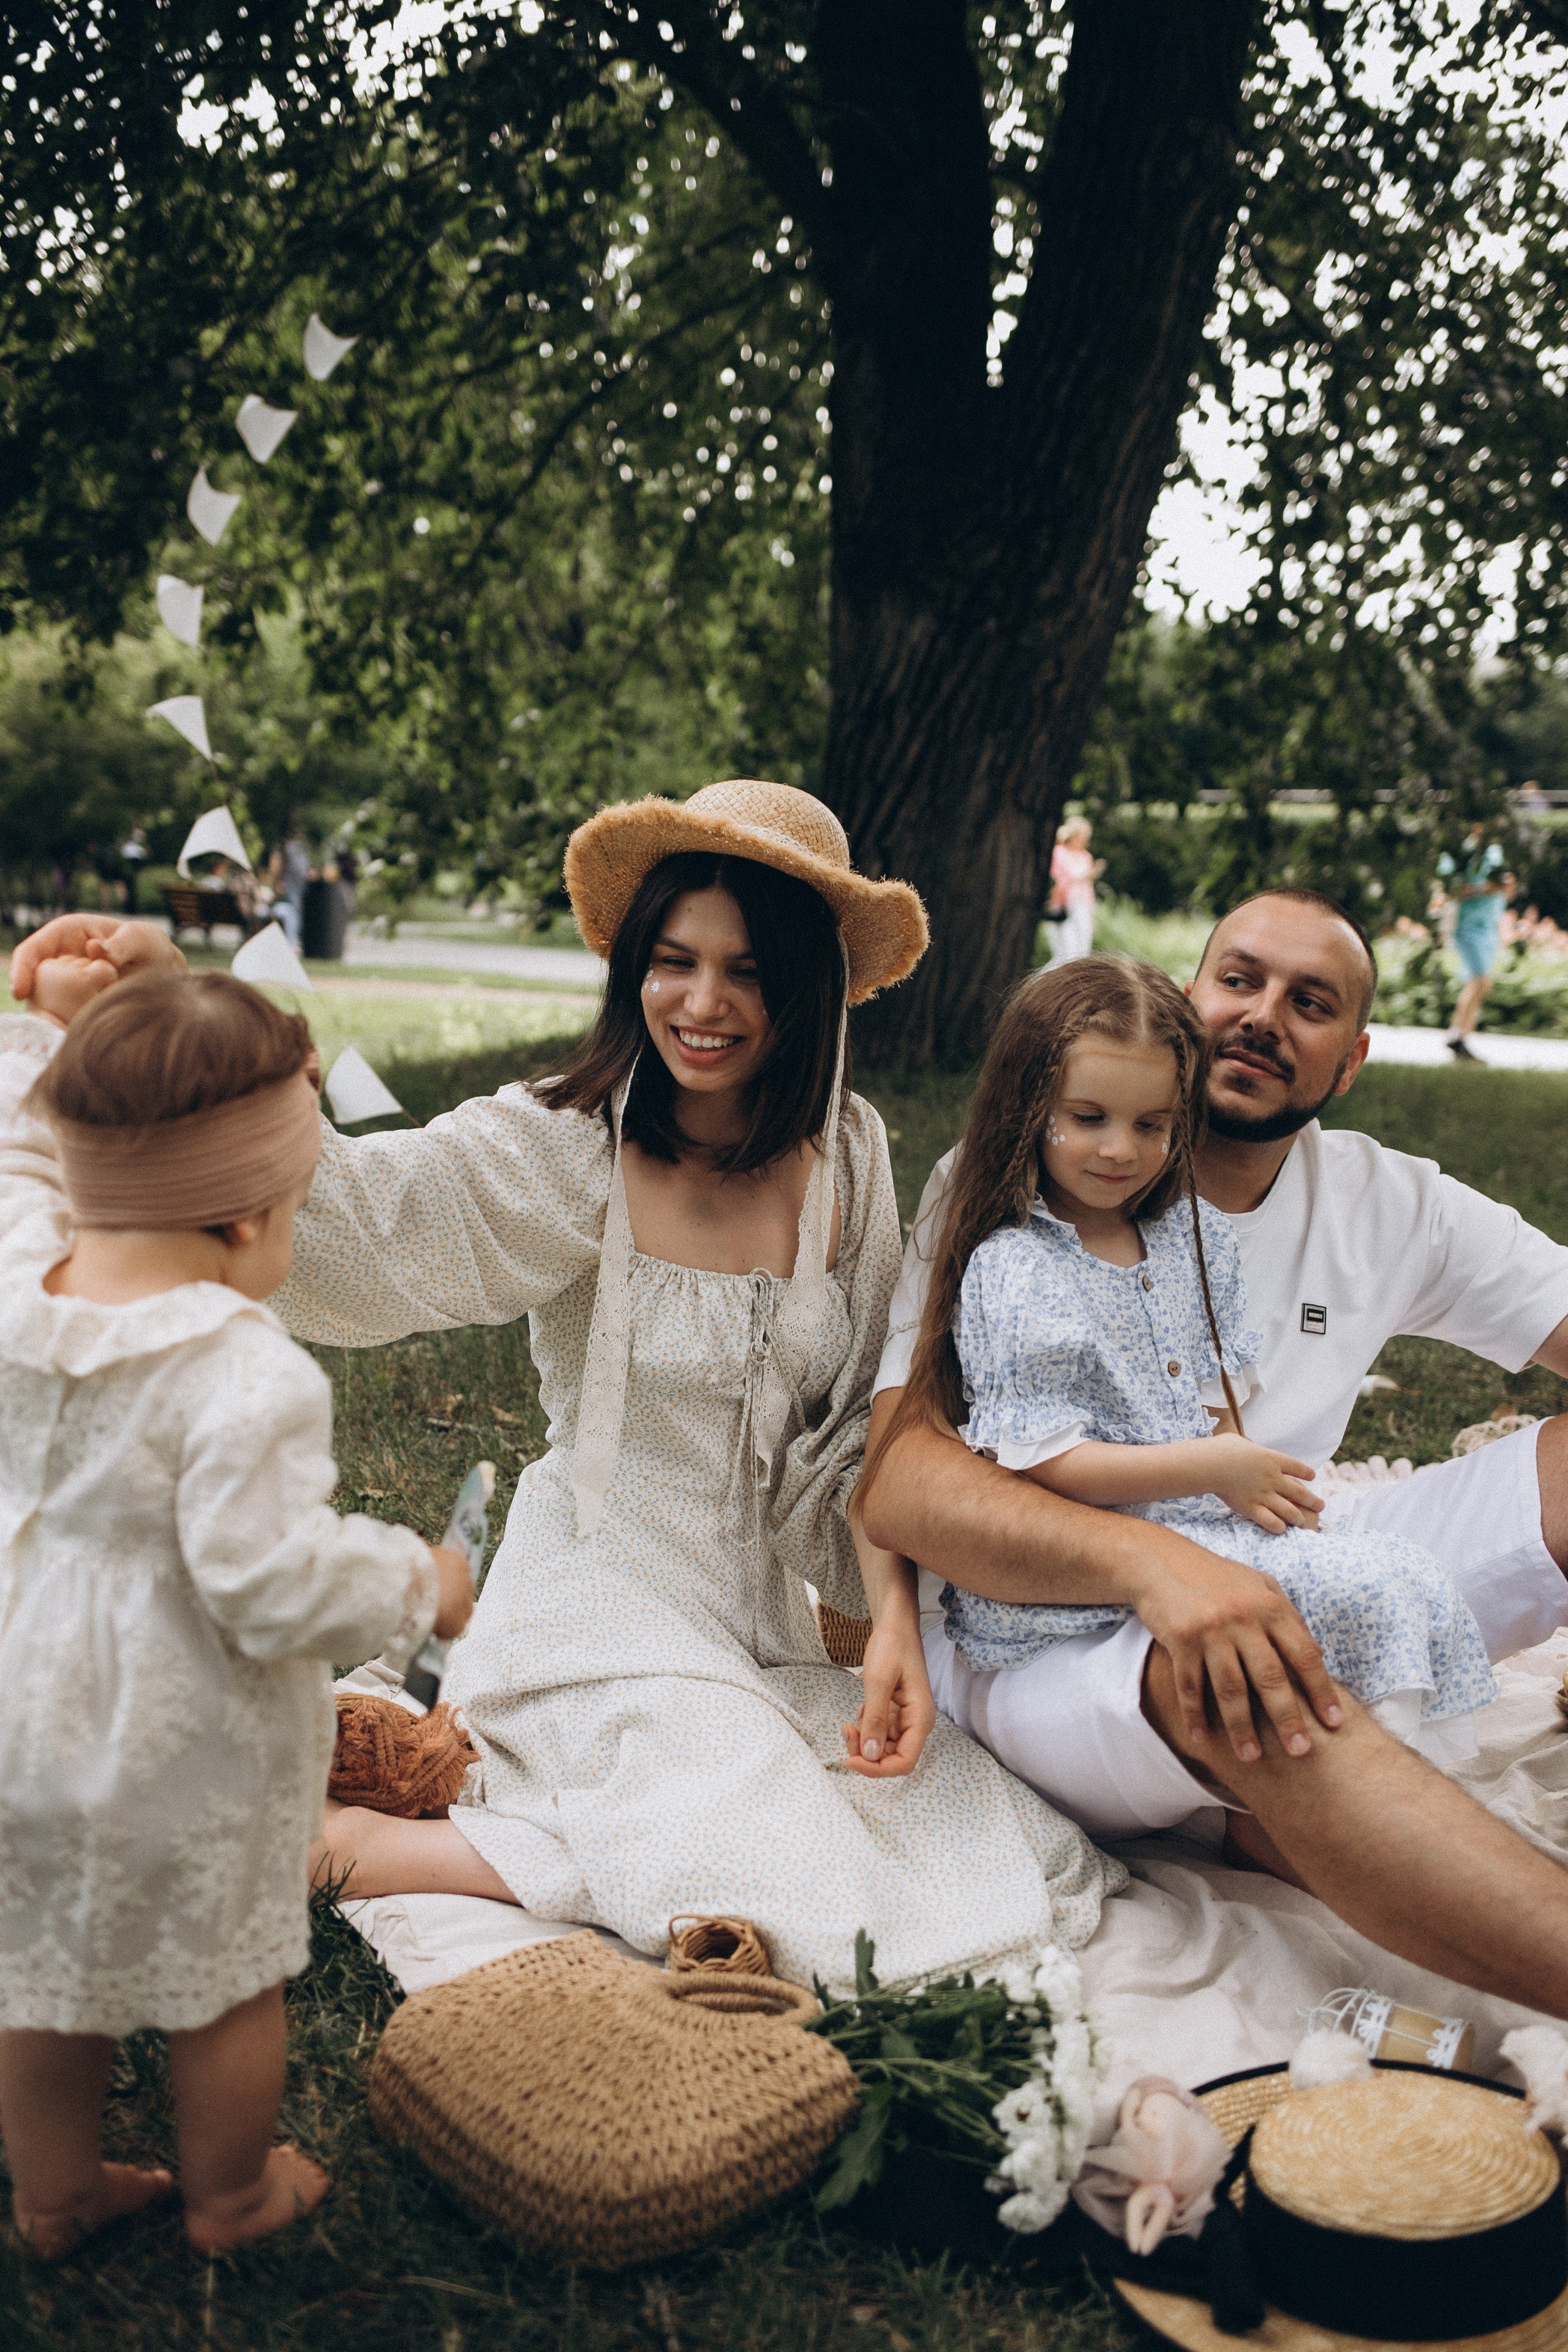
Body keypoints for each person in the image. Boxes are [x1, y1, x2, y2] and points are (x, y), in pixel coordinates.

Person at [2, 782, 1123, 1999]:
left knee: (984, 1832)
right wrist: (169, 1009)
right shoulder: (571, 1139)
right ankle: (399, 1851)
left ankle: (540, 1827)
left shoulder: (847, 1147)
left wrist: (892, 1619)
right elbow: (366, 1224)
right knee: (789, 1865)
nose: (700, 1005)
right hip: (590, 1592)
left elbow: (862, 1434)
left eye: (745, 972)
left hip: (759, 1618)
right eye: (671, 961)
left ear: (805, 985)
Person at [859, 887, 1568, 2018]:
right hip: (1049, 1634)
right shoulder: (1016, 1191)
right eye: (1239, 979)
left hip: (1271, 1535)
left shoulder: (1390, 1203)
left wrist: (1212, 1558)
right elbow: (900, 1477)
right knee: (1252, 1668)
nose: (1263, 1016)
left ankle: (1293, 1810)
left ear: (1351, 1062)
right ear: (1189, 1003)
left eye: (1311, 1002)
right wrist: (1158, 1569)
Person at [0, 967, 475, 2258]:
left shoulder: (18, 1281)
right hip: (178, 1741)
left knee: (42, 1973)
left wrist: (33, 1018)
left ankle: (51, 2199)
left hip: (20, 1716)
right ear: (250, 1217)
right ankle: (230, 2197)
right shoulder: (240, 1369)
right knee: (224, 1982)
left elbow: (17, 1153)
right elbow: (264, 1585)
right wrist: (410, 1582)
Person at [1436, 823, 1513, 1062]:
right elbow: (1449, 890)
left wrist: (1505, 888)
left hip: (1488, 928)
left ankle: (1463, 1040)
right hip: (1467, 926)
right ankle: (1457, 1035)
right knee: (1480, 980)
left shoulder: (1495, 853)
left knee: (1481, 983)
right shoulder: (1460, 855)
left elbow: (1506, 891)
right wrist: (1488, 888)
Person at [1049, 816, 1104, 964]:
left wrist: (1091, 916)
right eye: (1083, 836)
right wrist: (1085, 877)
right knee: (1066, 955)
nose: (1085, 840)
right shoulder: (1058, 853)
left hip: (1081, 907)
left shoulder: (1086, 857)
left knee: (1083, 954)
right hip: (1063, 906)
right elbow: (1056, 881)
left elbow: (1088, 889)